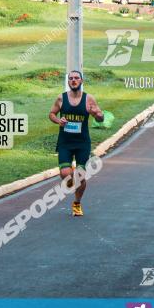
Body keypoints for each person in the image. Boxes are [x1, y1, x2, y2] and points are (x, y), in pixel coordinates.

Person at [49, 70, 104, 217]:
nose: (73, 80)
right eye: (71, 78)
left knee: (80, 176)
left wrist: (97, 114)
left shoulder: (89, 99)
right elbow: (51, 114)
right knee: (65, 173)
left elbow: (100, 118)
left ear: (81, 81)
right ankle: (71, 179)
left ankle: (77, 203)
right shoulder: (61, 98)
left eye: (76, 78)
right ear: (68, 82)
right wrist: (58, 121)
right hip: (65, 142)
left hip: (82, 143)